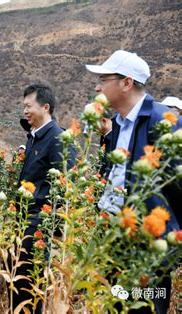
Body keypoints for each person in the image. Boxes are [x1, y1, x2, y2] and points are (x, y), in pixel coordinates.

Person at [86, 50, 181, 314]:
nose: (97, 86)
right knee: (116, 303)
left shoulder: (163, 122)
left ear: (127, 83)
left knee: (145, 306)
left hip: (148, 246)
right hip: (117, 239)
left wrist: (170, 238)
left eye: (104, 79)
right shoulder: (119, 124)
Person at [13, 83, 72, 313]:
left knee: (32, 282)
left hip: (40, 223)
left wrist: (53, 229)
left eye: (29, 106)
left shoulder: (57, 138)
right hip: (25, 219)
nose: (25, 111)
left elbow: (65, 185)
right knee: (20, 280)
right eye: (23, 106)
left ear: (45, 107)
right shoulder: (34, 137)